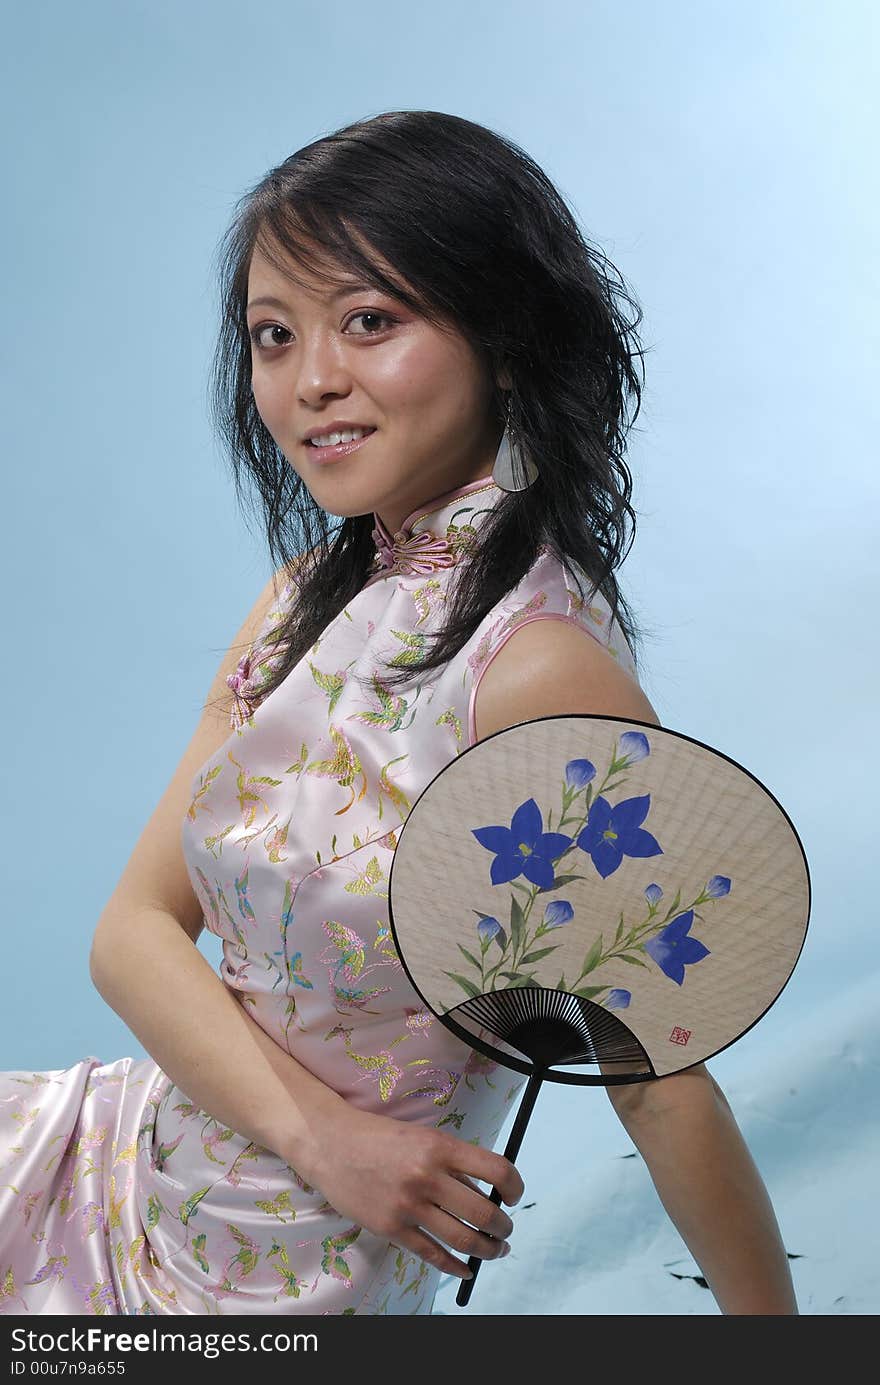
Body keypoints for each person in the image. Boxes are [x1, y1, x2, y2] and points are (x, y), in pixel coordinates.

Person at [0, 110, 797, 1316]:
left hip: (258, 1298)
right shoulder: (300, 603)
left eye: (370, 320)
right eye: (275, 335)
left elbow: (659, 1084)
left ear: (504, 336)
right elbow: (129, 934)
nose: (311, 378)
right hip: (109, 1160)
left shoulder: (532, 670)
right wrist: (330, 1138)